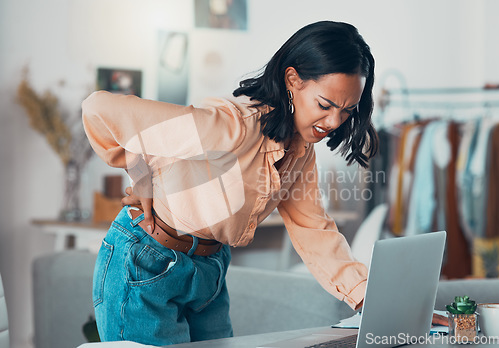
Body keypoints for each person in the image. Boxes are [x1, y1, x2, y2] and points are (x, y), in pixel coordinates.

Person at [82, 21, 378, 346]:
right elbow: (99, 109)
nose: (335, 122)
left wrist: (374, 303)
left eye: (347, 111)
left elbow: (315, 231)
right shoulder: (231, 126)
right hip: (146, 263)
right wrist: (139, 174)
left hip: (209, 270)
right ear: (293, 80)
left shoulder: (300, 151)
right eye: (325, 105)